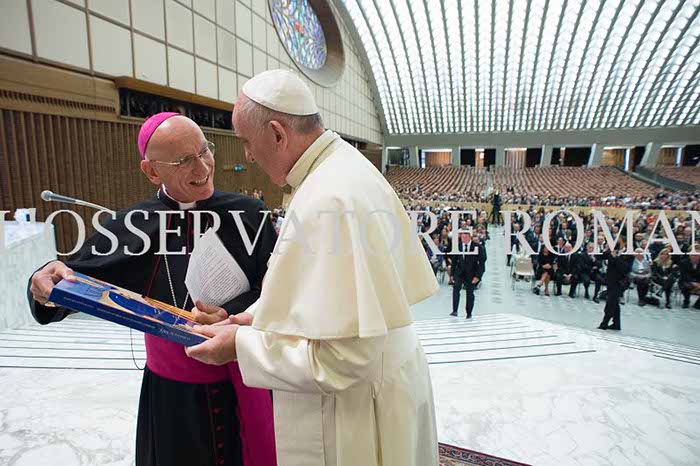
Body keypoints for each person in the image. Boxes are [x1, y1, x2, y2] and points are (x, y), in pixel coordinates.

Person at [185, 70, 440, 466]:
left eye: (249, 143)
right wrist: (250, 320)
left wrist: (239, 348)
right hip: (387, 379)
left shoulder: (329, 197)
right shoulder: (339, 167)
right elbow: (315, 296)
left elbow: (346, 358)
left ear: (277, 134)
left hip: (355, 411)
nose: (248, 156)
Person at [27, 113, 277, 466]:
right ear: (152, 171)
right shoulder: (132, 225)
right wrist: (44, 278)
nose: (202, 165)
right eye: (183, 160)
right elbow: (67, 281)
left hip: (244, 377)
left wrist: (232, 311)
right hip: (173, 396)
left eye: (205, 150)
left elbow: (274, 286)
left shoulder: (249, 212)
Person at [598, 239, 633, 331]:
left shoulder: (628, 254)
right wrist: (606, 249)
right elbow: (600, 256)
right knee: (614, 303)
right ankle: (616, 324)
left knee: (610, 303)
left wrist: (615, 258)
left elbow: (625, 269)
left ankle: (604, 324)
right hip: (611, 281)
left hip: (620, 283)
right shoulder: (612, 251)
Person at [450, 231, 485, 319]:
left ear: (470, 237)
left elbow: (481, 264)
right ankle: (455, 310)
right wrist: (452, 274)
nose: (463, 239)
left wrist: (478, 276)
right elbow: (454, 261)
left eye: (465, 237)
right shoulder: (457, 246)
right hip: (459, 272)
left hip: (471, 274)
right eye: (462, 237)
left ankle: (469, 313)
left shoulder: (478, 247)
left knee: (470, 293)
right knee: (456, 289)